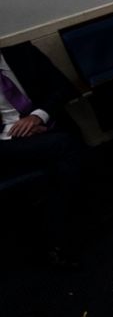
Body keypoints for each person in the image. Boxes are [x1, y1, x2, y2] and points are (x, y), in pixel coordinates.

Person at [0, 40, 84, 267]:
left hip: (44, 126)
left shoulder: (22, 51)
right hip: (5, 141)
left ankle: (53, 236)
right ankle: (56, 236)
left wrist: (38, 116)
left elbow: (63, 87)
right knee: (65, 145)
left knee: (61, 156)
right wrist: (15, 131)